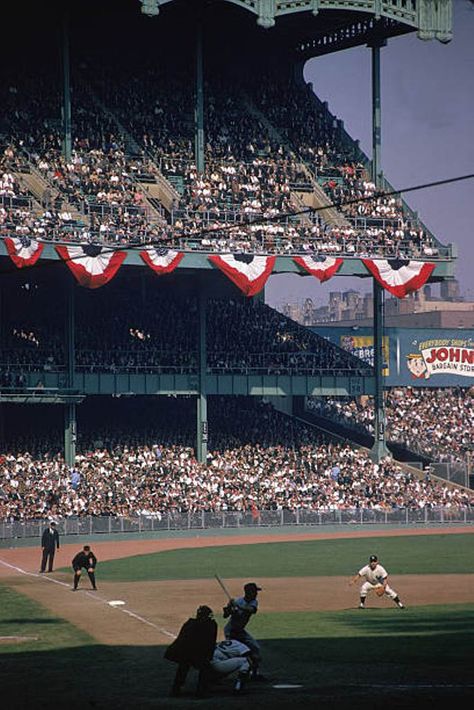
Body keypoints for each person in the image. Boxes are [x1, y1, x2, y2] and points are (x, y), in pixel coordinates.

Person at [164, 605, 217, 698]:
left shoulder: (189, 623)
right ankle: (201, 692)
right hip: (196, 654)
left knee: (183, 667)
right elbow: (210, 643)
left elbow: (181, 639)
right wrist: (209, 656)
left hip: (184, 652)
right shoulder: (211, 625)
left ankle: (175, 690)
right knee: (206, 669)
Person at [223, 582, 263, 678]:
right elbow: (225, 615)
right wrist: (229, 608)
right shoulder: (238, 601)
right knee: (231, 654)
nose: (256, 594)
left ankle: (255, 674)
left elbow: (251, 610)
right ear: (248, 592)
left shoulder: (253, 602)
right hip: (231, 631)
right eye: (254, 592)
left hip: (240, 631)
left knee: (255, 648)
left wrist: (237, 606)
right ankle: (221, 674)